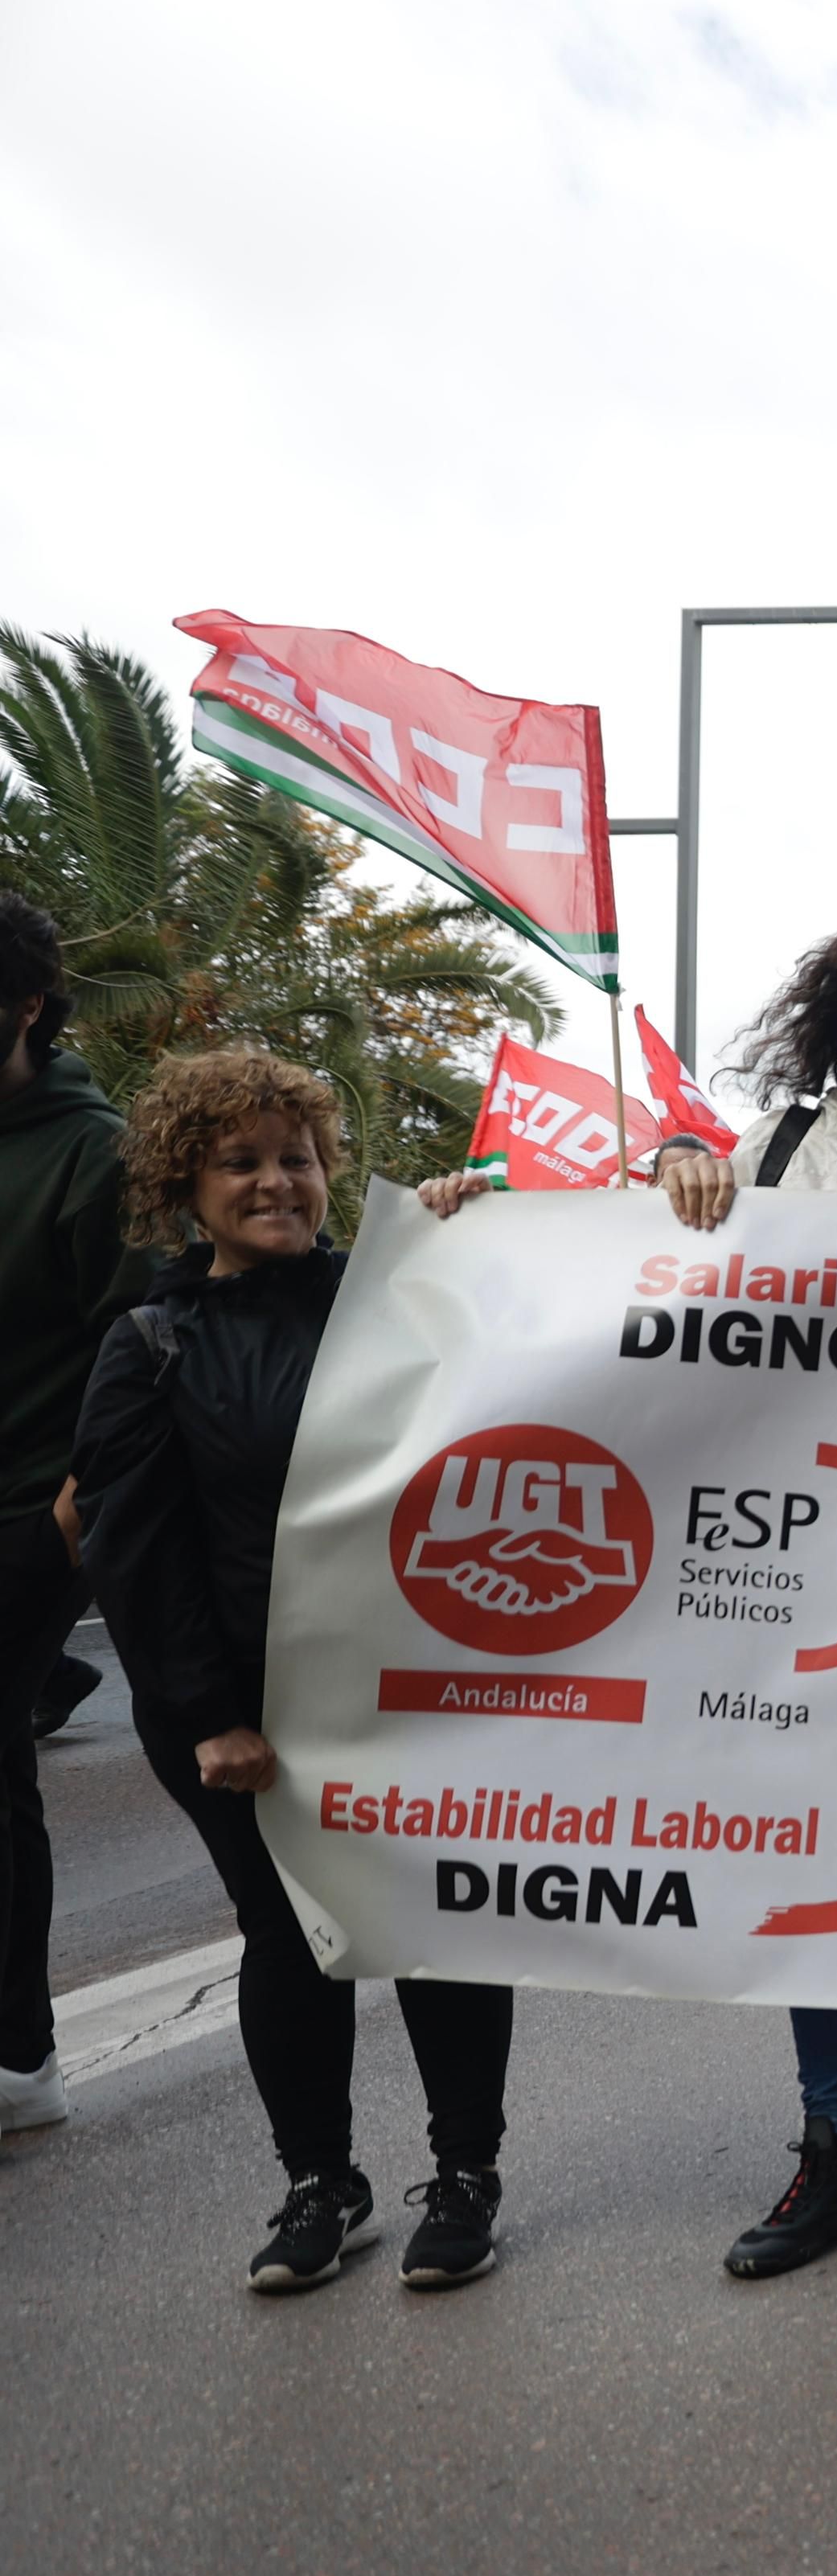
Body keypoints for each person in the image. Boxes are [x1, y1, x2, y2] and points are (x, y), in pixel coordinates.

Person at [445, 914, 837, 2277]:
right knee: (824, 1835)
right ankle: (835, 2142)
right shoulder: (777, 1151)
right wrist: (641, 1180)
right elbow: (645, 1265)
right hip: (797, 1552)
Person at [79, 1052, 519, 2290]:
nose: (278, 1182)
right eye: (242, 1161)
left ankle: (467, 2176)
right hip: (236, 1715)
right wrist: (212, 1715)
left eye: (298, 1158)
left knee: (436, 1925)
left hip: (413, 1692)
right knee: (284, 1935)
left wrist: (488, 1242)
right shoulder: (152, 1345)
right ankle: (321, 2185)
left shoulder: (403, 1291)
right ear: (186, 1182)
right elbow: (135, 1549)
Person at [0, 892, 142, 2137]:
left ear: (29, 1005)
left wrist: (73, 1504)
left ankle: (18, 2055)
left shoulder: (90, 1149)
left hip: (27, 1513)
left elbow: (134, 1334)